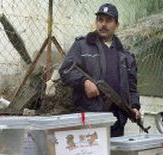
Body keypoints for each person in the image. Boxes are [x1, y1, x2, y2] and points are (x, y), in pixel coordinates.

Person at [59, 3, 141, 137]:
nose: (103, 24)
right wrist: (84, 82)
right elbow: (66, 70)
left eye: (108, 20)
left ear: (116, 25)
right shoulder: (82, 45)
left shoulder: (125, 56)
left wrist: (135, 107)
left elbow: (132, 87)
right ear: (96, 22)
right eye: (100, 20)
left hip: (117, 120)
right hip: (90, 117)